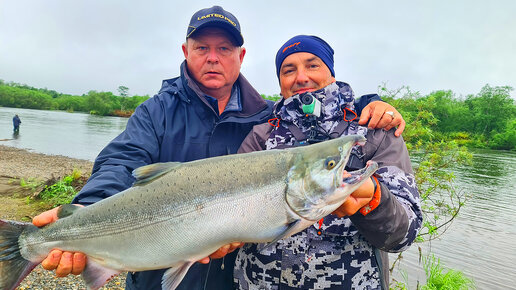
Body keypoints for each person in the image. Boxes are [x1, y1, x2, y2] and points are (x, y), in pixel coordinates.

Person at [31, 6, 406, 290]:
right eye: (203, 47)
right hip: (155, 268)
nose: (213, 56)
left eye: (224, 48)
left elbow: (322, 113)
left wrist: (373, 104)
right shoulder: (158, 110)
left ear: (240, 56)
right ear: (186, 51)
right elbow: (121, 160)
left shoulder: (265, 119)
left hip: (228, 278)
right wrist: (86, 208)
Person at [233, 35, 422, 289]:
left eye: (312, 65)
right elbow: (234, 210)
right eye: (289, 70)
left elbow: (404, 235)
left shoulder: (374, 130)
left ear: (331, 74)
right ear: (280, 84)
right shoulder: (260, 138)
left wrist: (373, 200)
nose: (301, 77)